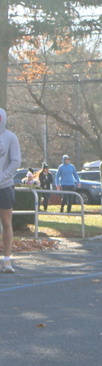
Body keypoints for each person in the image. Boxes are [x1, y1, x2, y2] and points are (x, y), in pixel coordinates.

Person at [0, 107, 20, 274]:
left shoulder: (10, 137)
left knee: (6, 222)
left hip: (4, 186)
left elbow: (16, 161)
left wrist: (3, 176)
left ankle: (7, 259)